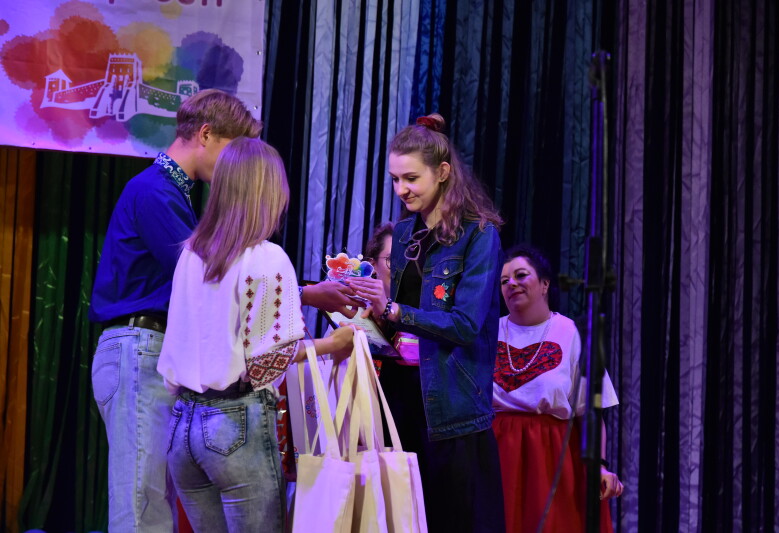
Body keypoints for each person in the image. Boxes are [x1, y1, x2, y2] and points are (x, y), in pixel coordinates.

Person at [88, 89, 357, 532]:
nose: (235, 164)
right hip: (140, 348)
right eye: (235, 150)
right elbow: (215, 281)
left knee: (154, 502)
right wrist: (308, 298)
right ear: (206, 134)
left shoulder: (176, 195)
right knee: (143, 506)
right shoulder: (156, 192)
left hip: (161, 367)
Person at [156, 137, 355, 530]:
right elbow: (267, 364)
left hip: (182, 426)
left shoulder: (191, 253)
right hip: (234, 424)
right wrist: (329, 345)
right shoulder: (266, 257)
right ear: (269, 192)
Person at [350, 113, 506, 532]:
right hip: (401, 393)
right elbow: (397, 318)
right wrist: (363, 310)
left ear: (442, 172)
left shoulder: (479, 234)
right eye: (395, 179)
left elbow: (465, 324)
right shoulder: (404, 233)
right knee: (403, 521)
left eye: (411, 178)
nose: (401, 189)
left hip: (452, 402)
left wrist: (393, 310)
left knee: (455, 520)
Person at [492, 245, 623, 533]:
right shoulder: (489, 332)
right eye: (504, 281)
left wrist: (599, 465)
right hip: (498, 452)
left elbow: (590, 413)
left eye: (521, 275)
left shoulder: (571, 333)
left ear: (545, 284)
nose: (511, 283)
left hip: (552, 456)